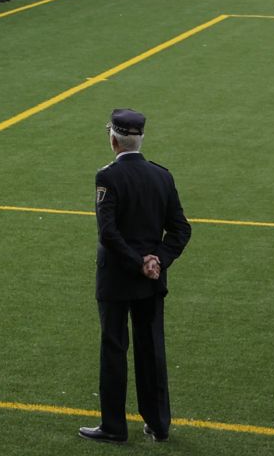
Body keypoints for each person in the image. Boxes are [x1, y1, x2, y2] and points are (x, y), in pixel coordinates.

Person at [79, 108, 192, 445]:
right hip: (151, 280)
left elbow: (108, 233)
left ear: (113, 139)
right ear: (140, 138)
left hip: (117, 278)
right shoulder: (162, 176)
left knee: (114, 349)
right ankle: (158, 423)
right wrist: (158, 260)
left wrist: (137, 262)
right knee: (151, 348)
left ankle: (114, 426)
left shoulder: (108, 177)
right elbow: (180, 229)